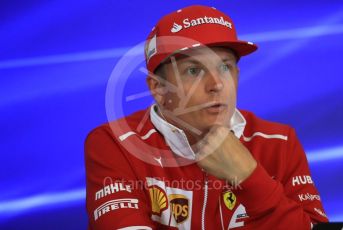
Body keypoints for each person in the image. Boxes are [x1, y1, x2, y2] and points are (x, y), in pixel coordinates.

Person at [84, 5, 328, 230]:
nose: (217, 84)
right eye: (194, 70)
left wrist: (249, 178)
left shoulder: (279, 142)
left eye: (225, 67)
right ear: (158, 88)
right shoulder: (115, 143)